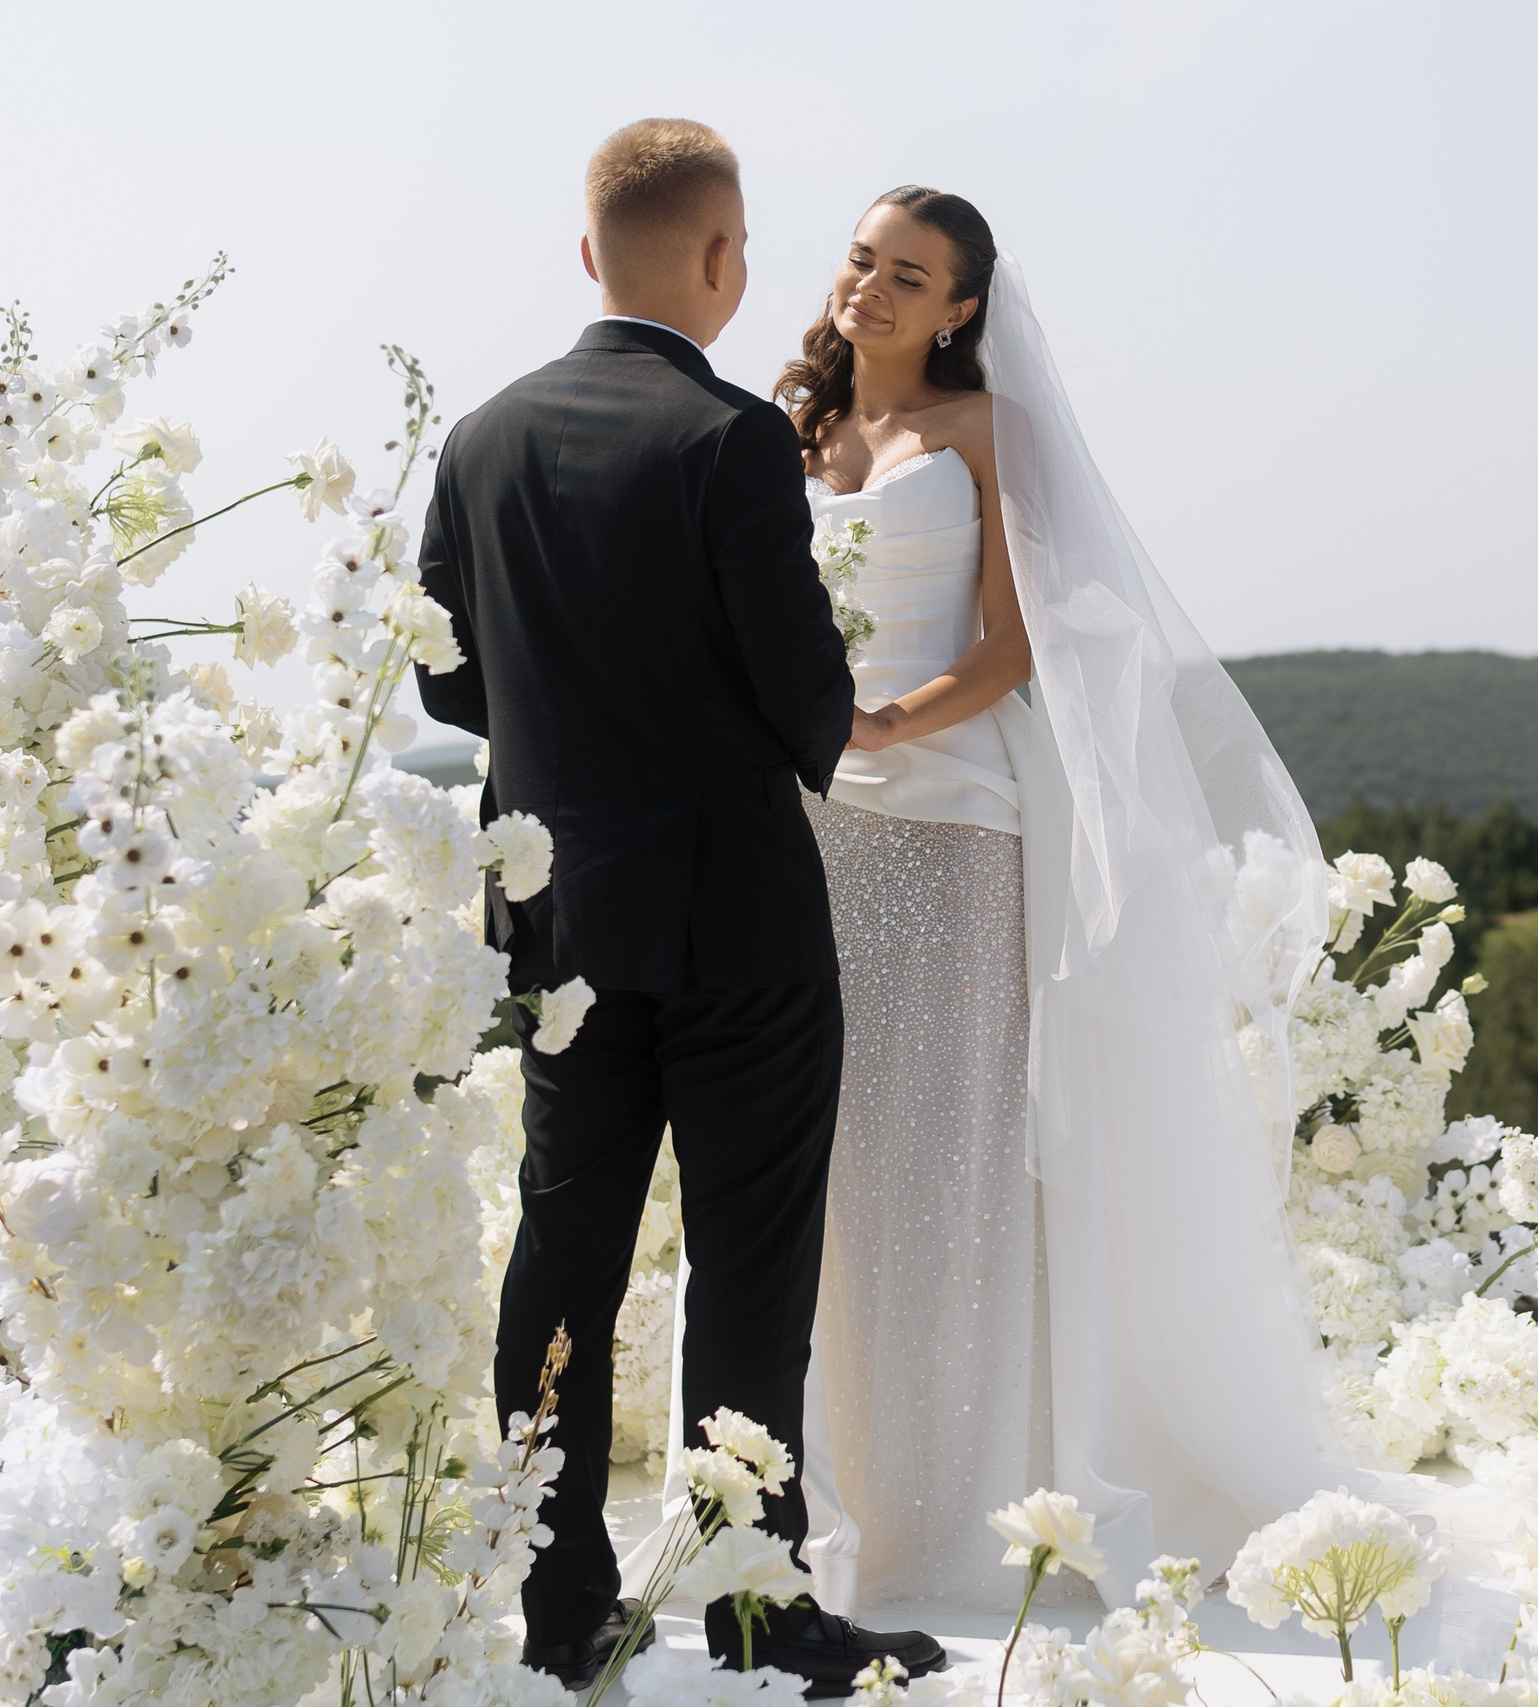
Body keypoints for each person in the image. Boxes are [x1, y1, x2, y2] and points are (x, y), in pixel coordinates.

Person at [736, 186, 1346, 1620]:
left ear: (961, 306)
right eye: (861, 259)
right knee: (828, 1170)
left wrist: (886, 725)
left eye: (910, 273)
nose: (872, 287)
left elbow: (1021, 643)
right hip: (808, 830)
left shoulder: (982, 433)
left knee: (945, 1165)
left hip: (951, 819)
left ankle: (955, 1503)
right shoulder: (787, 432)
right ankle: (831, 1488)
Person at [414, 120, 944, 1691]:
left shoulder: (481, 435)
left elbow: (442, 670)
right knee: (749, 1267)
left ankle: (559, 1608)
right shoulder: (728, 441)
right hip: (739, 925)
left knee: (561, 1258)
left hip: (565, 923)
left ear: (591, 255)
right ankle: (758, 1613)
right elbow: (806, 704)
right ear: (722, 261)